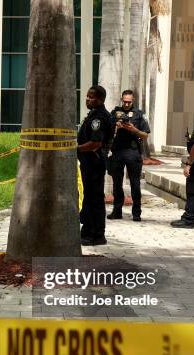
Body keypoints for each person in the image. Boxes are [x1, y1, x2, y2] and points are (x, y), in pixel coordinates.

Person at [77, 85, 114, 246]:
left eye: (91, 97)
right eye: (87, 96)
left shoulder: (98, 118)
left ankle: (97, 235)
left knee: (94, 198)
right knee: (90, 197)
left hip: (94, 162)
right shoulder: (94, 114)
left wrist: (74, 149)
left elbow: (95, 143)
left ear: (100, 99)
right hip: (89, 163)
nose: (87, 99)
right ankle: (87, 231)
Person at [107, 90, 151, 222]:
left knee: (135, 183)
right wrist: (116, 127)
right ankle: (117, 210)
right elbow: (107, 131)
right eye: (124, 101)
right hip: (118, 151)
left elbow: (145, 135)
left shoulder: (139, 114)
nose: (126, 104)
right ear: (121, 99)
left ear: (133, 101)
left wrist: (134, 130)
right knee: (117, 183)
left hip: (133, 152)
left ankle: (136, 213)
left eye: (129, 102)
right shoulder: (115, 113)